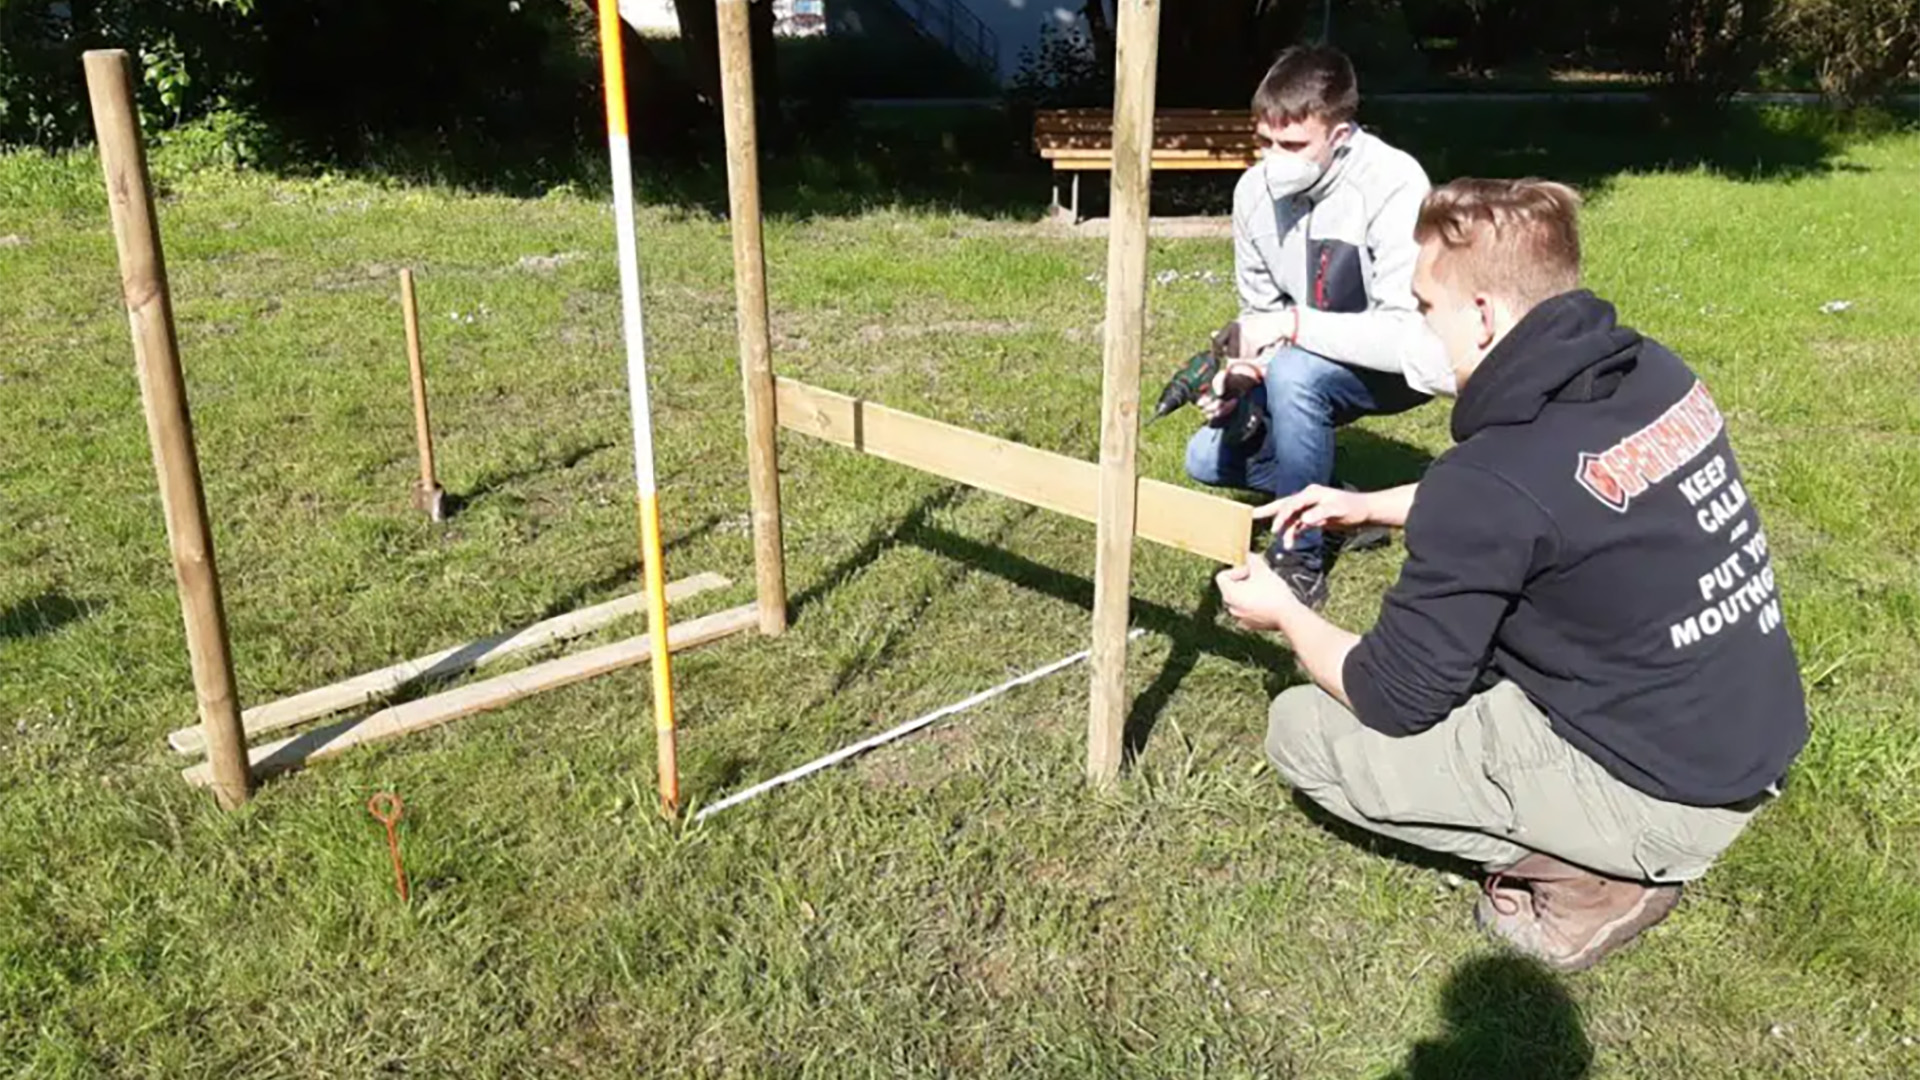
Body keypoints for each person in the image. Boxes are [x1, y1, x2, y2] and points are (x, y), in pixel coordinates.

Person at [1213, 177, 1809, 973]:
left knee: (1304, 731)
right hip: (1744, 733)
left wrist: (1288, 612)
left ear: (1485, 315)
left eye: (1426, 306)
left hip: (1665, 794)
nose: (1420, 322)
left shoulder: (1490, 479)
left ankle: (1597, 876)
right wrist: (1372, 504)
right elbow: (1550, 495)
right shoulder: (1652, 376)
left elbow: (1391, 695)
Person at [1186, 44, 1451, 609]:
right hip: (1299, 357)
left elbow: (1409, 333)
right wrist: (1240, 377)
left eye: (1292, 145)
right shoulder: (1252, 194)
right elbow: (1260, 313)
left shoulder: (1396, 184)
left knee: (1299, 373)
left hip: (1400, 367)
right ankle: (1347, 507)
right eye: (1264, 142)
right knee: (1205, 458)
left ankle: (1297, 561)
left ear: (1341, 134)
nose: (1273, 159)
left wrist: (1290, 327)